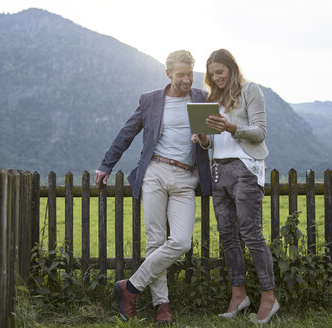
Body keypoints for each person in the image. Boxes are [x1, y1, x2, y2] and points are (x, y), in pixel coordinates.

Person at [95, 50, 212, 324]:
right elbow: (127, 132)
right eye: (180, 74)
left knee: (181, 241)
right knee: (155, 241)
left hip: (186, 177)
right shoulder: (150, 100)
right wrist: (106, 164)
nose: (186, 79)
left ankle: (130, 287)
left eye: (189, 74)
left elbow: (211, 143)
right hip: (155, 171)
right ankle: (162, 305)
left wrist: (204, 140)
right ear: (168, 73)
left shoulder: (202, 99)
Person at [192, 48, 279, 324]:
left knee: (251, 234)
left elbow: (260, 131)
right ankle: (238, 295)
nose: (216, 78)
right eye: (212, 74)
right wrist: (203, 139)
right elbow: (212, 142)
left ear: (232, 68)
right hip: (219, 168)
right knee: (228, 236)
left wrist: (231, 128)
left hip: (245, 168)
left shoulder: (250, 90)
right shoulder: (213, 99)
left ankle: (269, 297)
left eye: (220, 72)